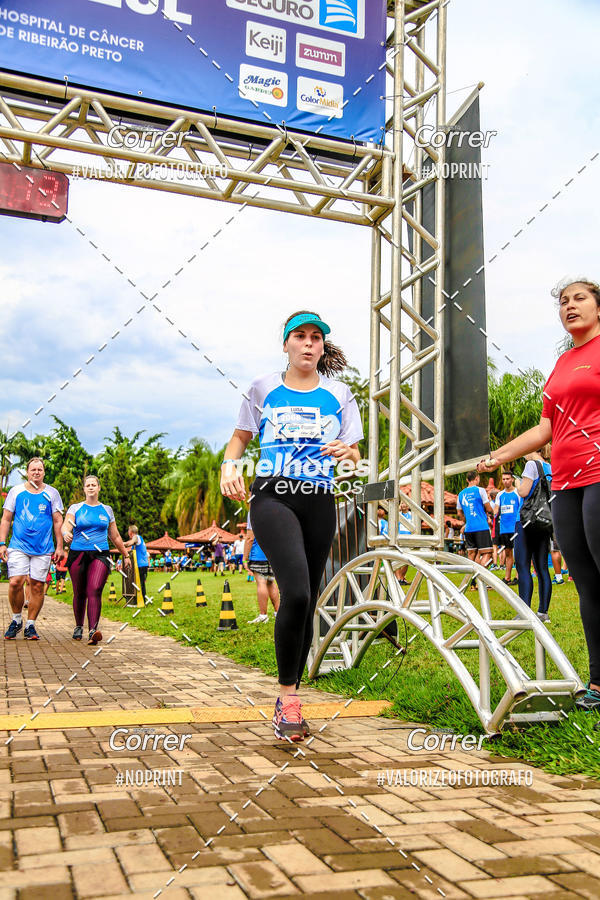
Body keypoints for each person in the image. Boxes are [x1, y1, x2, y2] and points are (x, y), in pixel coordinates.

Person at [220, 310, 362, 741]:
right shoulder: (263, 388)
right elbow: (240, 437)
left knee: (308, 600)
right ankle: (287, 698)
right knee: (296, 591)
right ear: (285, 344)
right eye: (299, 336)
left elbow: (355, 454)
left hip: (319, 499)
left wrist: (347, 453)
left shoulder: (339, 394)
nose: (308, 343)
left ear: (322, 347)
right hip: (273, 495)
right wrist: (229, 465)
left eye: (316, 337)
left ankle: (292, 697)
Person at [479, 279, 600, 710]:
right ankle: (599, 683)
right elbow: (546, 427)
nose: (570, 306)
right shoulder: (563, 363)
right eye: (563, 301)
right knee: (587, 584)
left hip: (598, 476)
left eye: (580, 298)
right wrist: (499, 455)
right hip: (564, 484)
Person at [0, 457, 65, 641]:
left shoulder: (52, 493)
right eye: (33, 469)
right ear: (27, 472)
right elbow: (6, 518)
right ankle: (16, 619)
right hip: (18, 545)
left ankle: (30, 625)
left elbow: (58, 521)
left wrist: (60, 547)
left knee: (37, 585)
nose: (36, 472)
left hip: (43, 548)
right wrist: (2, 543)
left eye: (40, 469)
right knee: (15, 582)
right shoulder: (16, 491)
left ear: (44, 472)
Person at [62, 475, 130, 644]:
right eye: (88, 485)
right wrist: (66, 533)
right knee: (79, 592)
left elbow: (114, 535)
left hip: (100, 554)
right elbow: (66, 524)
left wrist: (126, 554)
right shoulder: (76, 508)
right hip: (78, 553)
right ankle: (79, 626)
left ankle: (93, 630)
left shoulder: (107, 510)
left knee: (95, 589)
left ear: (99, 488)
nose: (91, 487)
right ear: (84, 489)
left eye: (94, 485)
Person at [456, 472, 494, 579]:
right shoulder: (480, 490)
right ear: (477, 478)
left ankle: (472, 582)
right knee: (487, 553)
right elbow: (488, 508)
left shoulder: (460, 494)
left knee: (473, 554)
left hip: (469, 528)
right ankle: (481, 578)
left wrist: (466, 520)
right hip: (481, 526)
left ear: (467, 480)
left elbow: (459, 513)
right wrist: (493, 513)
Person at [244, 513, 280, 623]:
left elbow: (250, 538)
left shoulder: (253, 511)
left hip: (258, 555)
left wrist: (245, 557)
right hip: (272, 554)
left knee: (261, 583)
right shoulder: (274, 509)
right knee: (271, 582)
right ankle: (278, 613)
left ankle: (263, 615)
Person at [494, 471, 520, 586]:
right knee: (508, 553)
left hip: (516, 527)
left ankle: (518, 577)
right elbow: (496, 509)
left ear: (512, 479)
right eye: (504, 479)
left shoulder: (517, 492)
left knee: (518, 552)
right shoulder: (500, 495)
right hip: (504, 528)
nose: (505, 481)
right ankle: (507, 577)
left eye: (508, 479)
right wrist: (491, 514)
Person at [124, 526, 149, 601]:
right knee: (141, 584)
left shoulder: (136, 537)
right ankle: (141, 600)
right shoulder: (139, 539)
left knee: (138, 583)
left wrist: (120, 543)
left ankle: (139, 601)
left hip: (140, 565)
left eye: (128, 530)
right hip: (143, 565)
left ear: (130, 532)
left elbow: (130, 542)